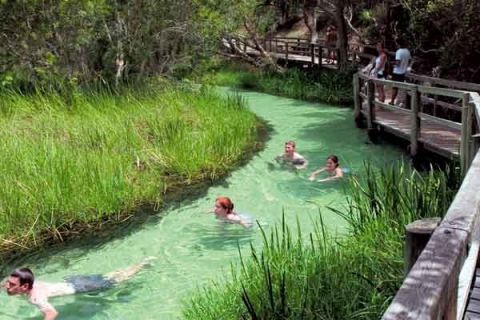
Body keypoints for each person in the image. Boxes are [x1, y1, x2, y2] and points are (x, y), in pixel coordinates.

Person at [2, 257, 155, 320]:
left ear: (25, 286)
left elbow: (52, 312)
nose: (7, 287)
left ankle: (141, 266)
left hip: (84, 288)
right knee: (109, 276)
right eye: (8, 282)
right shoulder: (30, 284)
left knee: (118, 280)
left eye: (11, 285)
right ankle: (138, 264)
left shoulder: (36, 297)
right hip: (74, 280)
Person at [390, 39, 411, 105]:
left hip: (397, 72)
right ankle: (402, 102)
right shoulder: (407, 51)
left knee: (395, 87)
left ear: (398, 44)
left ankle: (392, 101)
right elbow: (409, 60)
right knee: (402, 88)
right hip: (404, 72)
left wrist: (392, 63)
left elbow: (398, 62)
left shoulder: (399, 51)